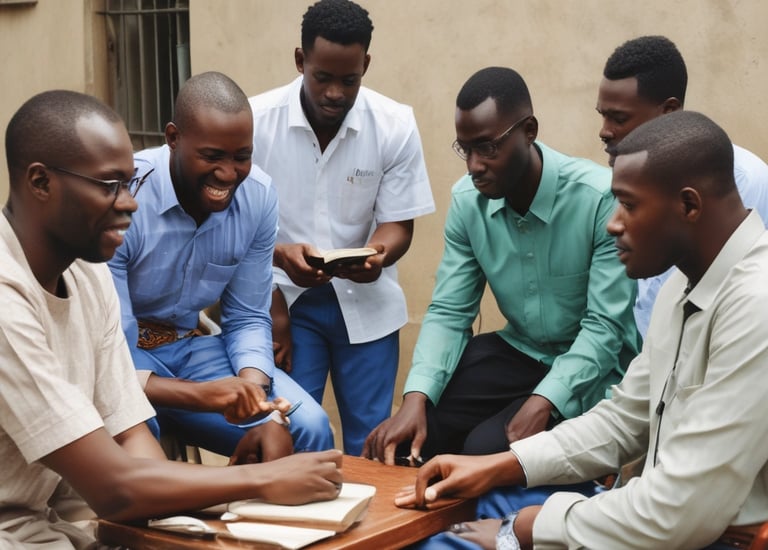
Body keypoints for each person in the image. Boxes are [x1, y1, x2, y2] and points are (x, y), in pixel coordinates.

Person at [397, 110, 768, 550]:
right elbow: (623, 420)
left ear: (688, 205)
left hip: (717, 538)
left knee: (444, 543)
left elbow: (677, 511)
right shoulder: (680, 287)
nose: (613, 223)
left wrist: (524, 529)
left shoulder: (755, 304)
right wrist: (499, 465)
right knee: (472, 499)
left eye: (628, 204)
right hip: (657, 516)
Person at [0, 89, 344, 549]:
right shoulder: (8, 295)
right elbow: (116, 488)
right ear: (40, 182)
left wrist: (243, 461)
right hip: (22, 527)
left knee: (304, 424)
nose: (129, 203)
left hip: (50, 520)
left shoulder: (87, 274)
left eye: (128, 184)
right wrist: (258, 482)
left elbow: (129, 435)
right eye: (109, 186)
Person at [363, 66, 640, 466]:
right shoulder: (467, 202)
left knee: (485, 449)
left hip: (592, 365)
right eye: (465, 149)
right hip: (519, 351)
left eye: (487, 147)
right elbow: (449, 312)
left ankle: (502, 525)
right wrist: (415, 397)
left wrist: (547, 399)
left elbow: (605, 329)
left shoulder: (598, 199)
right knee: (416, 431)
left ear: (529, 130)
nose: (474, 165)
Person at [108, 71, 334, 460]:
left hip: (190, 351)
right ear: (174, 138)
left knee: (307, 427)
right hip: (124, 358)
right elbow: (112, 347)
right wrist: (202, 396)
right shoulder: (126, 196)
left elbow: (247, 315)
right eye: (212, 156)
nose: (229, 174)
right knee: (132, 435)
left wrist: (251, 391)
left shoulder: (258, 197)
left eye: (241, 157)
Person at [249, 0, 435, 455]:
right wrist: (277, 263)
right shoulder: (255, 122)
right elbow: (235, 225)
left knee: (371, 444)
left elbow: (398, 224)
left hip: (367, 305)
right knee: (293, 434)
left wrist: (379, 254)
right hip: (285, 307)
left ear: (366, 65)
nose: (335, 92)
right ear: (300, 61)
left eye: (349, 80)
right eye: (322, 78)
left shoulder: (393, 124)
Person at [596, 35, 768, 338]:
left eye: (619, 118)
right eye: (603, 116)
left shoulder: (740, 179)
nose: (605, 131)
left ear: (669, 111)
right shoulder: (637, 178)